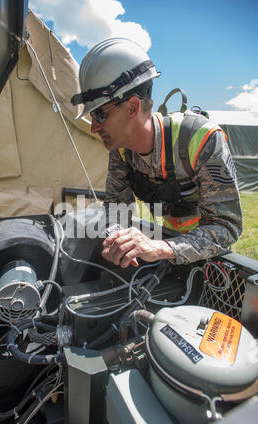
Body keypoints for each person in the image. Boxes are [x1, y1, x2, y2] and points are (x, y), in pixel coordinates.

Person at [71, 37, 242, 268]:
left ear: (133, 107)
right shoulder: (121, 151)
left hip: (208, 256)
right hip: (165, 245)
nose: (94, 127)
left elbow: (226, 226)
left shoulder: (201, 139)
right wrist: (117, 237)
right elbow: (115, 206)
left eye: (100, 114)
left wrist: (160, 248)